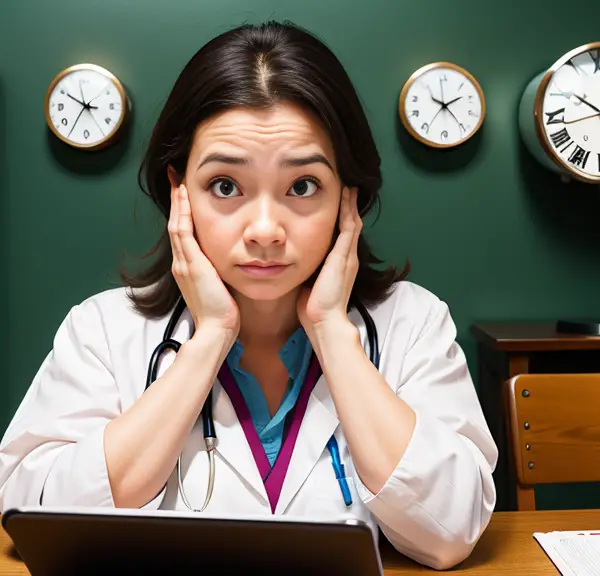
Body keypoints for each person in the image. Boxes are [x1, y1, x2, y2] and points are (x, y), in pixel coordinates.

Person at [0, 21, 497, 570]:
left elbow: (453, 531)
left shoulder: (413, 322)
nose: (264, 229)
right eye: (226, 186)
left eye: (302, 186)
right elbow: (35, 518)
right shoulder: (102, 329)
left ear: (347, 198)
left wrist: (332, 329)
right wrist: (210, 337)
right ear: (178, 192)